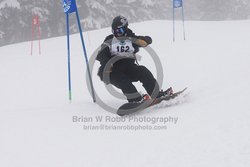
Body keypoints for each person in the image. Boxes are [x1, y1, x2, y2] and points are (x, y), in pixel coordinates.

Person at [96, 15, 172, 103]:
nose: (117, 33)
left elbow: (144, 40)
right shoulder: (110, 40)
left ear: (125, 29)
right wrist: (107, 63)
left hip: (127, 68)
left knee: (143, 71)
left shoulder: (130, 38)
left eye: (120, 30)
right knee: (123, 81)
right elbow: (100, 54)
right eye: (114, 31)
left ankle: (155, 94)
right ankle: (135, 99)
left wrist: (146, 41)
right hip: (110, 71)